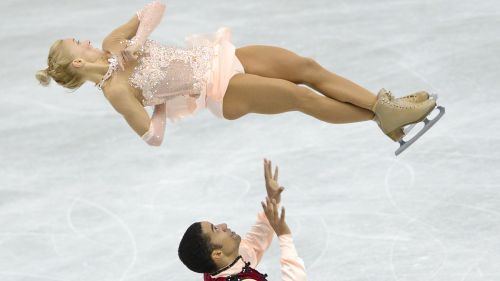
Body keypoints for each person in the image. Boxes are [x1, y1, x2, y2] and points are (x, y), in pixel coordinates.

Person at [35, 1, 439, 149]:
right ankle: (385, 114)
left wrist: (138, 38)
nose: (87, 41)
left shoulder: (111, 42)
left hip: (220, 56)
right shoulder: (117, 92)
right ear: (76, 64)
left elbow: (156, 6)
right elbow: (152, 138)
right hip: (221, 91)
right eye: (78, 43)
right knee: (299, 96)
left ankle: (388, 112)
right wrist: (157, 103)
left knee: (306, 68)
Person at [178, 159, 307, 281]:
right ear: (217, 254)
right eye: (216, 229)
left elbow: (254, 246)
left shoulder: (216, 268)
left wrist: (273, 201)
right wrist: (285, 237)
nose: (223, 225)